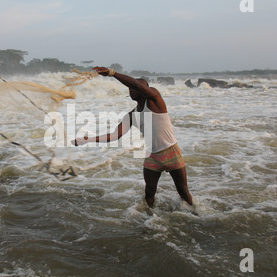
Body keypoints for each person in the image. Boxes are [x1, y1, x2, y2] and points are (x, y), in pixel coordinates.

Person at [72, 67, 194, 209]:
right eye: (130, 88)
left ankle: (195, 213)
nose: (131, 90)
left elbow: (136, 84)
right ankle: (151, 219)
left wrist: (112, 73)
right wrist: (89, 139)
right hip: (152, 156)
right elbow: (114, 135)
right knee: (149, 193)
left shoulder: (155, 100)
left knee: (183, 192)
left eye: (135, 87)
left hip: (171, 152)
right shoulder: (131, 115)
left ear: (145, 90)